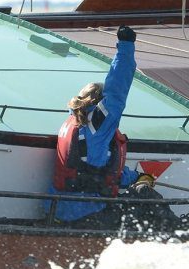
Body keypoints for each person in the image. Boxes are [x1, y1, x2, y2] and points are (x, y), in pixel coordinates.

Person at [48, 25, 156, 227]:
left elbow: (97, 166)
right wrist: (126, 46)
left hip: (60, 208)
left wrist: (136, 177)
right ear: (99, 103)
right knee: (149, 203)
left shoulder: (77, 123)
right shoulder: (98, 123)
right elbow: (117, 89)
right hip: (84, 213)